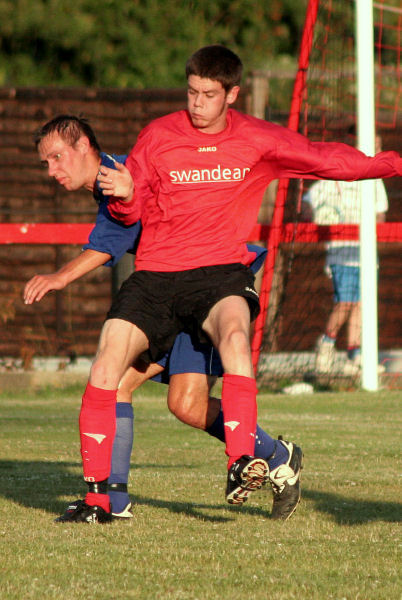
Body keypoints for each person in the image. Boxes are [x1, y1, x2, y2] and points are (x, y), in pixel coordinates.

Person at [44, 45, 401, 524]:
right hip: (158, 283)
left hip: (215, 280)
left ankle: (248, 460)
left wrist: (393, 162)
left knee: (191, 390)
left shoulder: (256, 138)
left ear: (232, 94)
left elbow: (327, 160)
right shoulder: (157, 137)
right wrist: (128, 196)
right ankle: (109, 500)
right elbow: (134, 211)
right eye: (191, 92)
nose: (196, 103)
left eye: (208, 94)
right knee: (144, 387)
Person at [27, 115, 294, 523]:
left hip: (206, 285)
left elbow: (109, 242)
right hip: (167, 293)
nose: (52, 170)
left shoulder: (122, 175)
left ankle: (276, 455)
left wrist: (59, 276)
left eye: (57, 157)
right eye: (45, 163)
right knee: (148, 393)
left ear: (83, 145)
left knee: (183, 402)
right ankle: (112, 500)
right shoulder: (113, 181)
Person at [302, 136, 388, 376]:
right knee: (346, 301)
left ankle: (355, 354)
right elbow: (307, 202)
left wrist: (369, 227)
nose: (379, 150)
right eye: (375, 145)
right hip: (341, 254)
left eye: (380, 146)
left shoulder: (375, 179)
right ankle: (326, 345)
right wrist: (316, 216)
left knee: (362, 304)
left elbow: (380, 215)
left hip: (366, 254)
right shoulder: (334, 177)